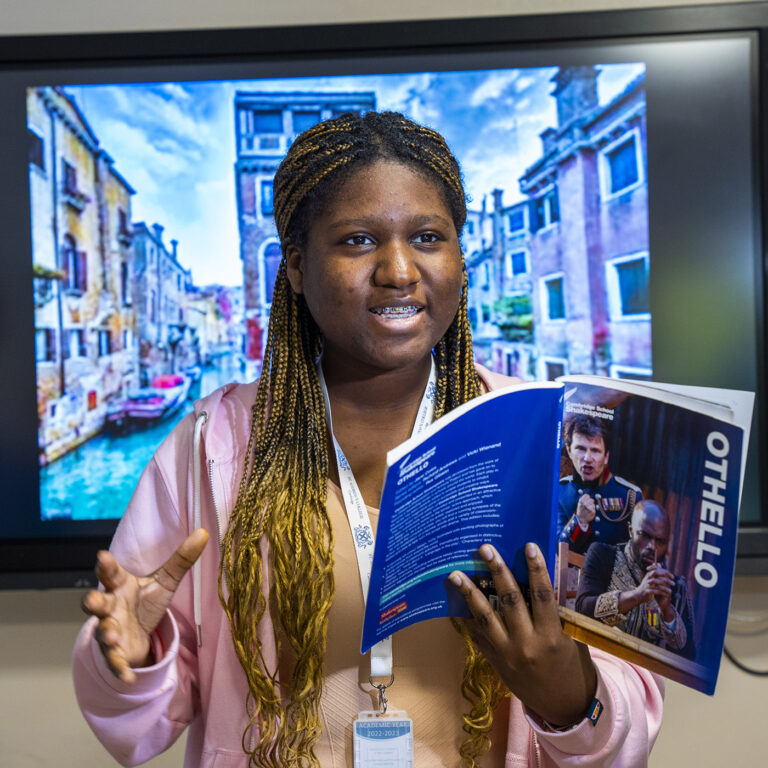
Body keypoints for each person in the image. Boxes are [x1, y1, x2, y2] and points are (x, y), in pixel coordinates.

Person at [73, 111, 663, 767]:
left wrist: (571, 698)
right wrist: (128, 658)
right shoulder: (212, 445)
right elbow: (138, 725)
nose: (399, 270)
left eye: (428, 237)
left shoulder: (542, 433)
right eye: (357, 240)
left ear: (459, 256)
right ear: (296, 266)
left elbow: (627, 731)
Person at [575, 500, 695, 659]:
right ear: (631, 530)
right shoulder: (602, 555)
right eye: (645, 535)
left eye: (660, 541)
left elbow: (688, 656)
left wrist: (667, 611)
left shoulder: (674, 587)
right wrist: (637, 595)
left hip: (641, 675)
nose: (652, 546)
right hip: (599, 660)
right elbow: (582, 609)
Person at [558, 414, 642, 554]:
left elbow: (639, 555)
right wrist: (580, 521)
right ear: (569, 450)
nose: (587, 458)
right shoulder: (561, 491)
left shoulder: (630, 496)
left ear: (606, 456)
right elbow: (558, 552)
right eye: (581, 449)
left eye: (595, 450)